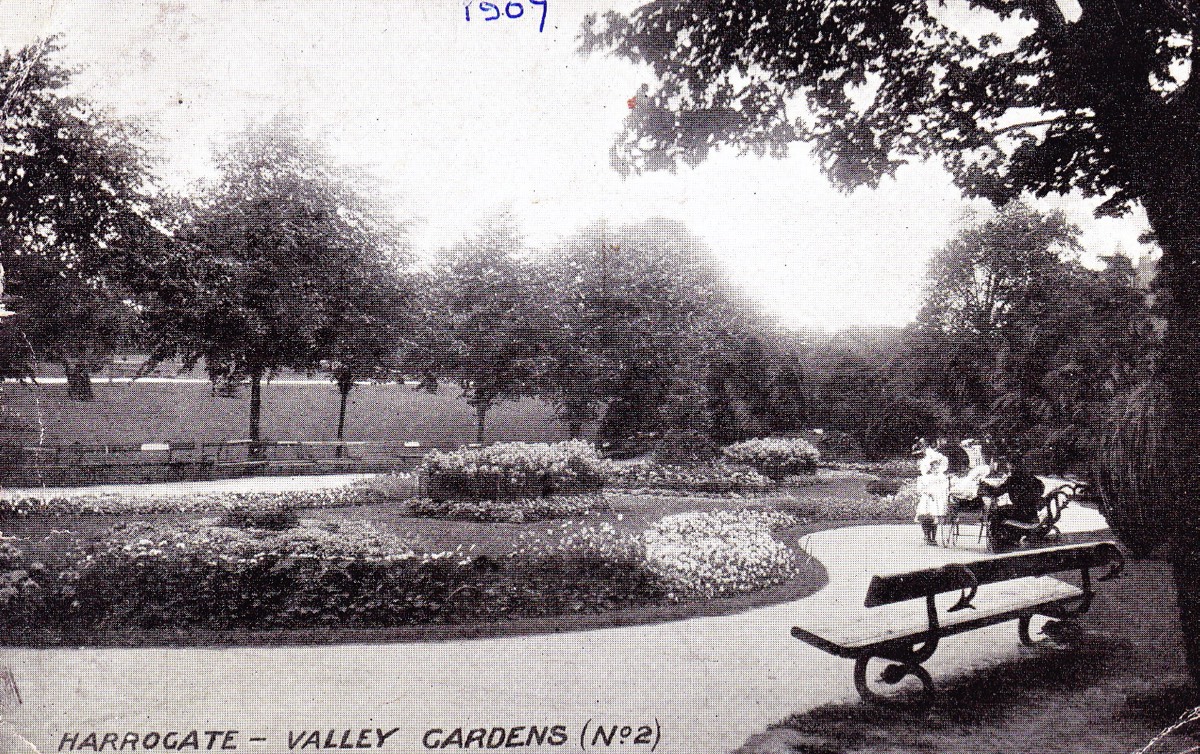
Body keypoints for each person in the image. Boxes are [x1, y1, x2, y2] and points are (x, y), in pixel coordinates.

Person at [983, 454, 1045, 551]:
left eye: (1009, 464)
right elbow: (1041, 487)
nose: (1007, 466)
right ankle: (1009, 537)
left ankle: (998, 542)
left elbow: (997, 492)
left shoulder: (1012, 479)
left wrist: (986, 486)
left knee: (995, 512)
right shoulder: (1029, 476)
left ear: (1013, 465)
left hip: (1022, 513)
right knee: (1004, 509)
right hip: (1031, 512)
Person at [913, 438, 950, 545]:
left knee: (935, 516)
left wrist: (942, 494)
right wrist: (928, 493)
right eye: (933, 465)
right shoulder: (924, 478)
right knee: (925, 515)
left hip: (937, 499)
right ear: (929, 466)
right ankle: (926, 535)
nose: (935, 467)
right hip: (927, 498)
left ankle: (933, 537)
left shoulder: (941, 477)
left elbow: (945, 487)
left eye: (937, 465)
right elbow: (920, 489)